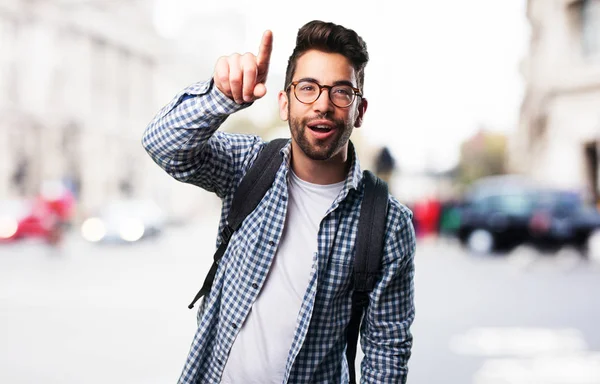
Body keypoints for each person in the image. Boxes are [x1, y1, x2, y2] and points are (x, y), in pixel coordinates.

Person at [142, 20, 416, 384]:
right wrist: (221, 98)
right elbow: (164, 144)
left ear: (359, 110)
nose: (323, 104)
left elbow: (387, 351)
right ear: (285, 103)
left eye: (341, 92)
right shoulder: (249, 165)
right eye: (308, 88)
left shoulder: (387, 222)